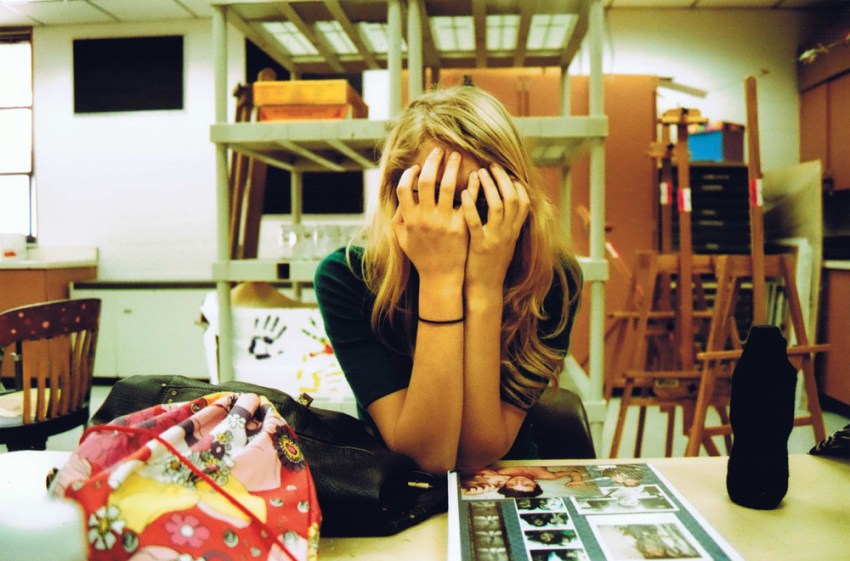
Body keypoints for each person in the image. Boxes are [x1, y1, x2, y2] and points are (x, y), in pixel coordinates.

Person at [314, 85, 582, 474]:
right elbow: (427, 458)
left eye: (484, 198)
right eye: (440, 197)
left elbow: (477, 453)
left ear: (518, 195)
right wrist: (440, 280)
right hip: (397, 498)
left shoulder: (552, 279)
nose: (461, 223)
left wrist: (484, 287)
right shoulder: (349, 277)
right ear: (398, 196)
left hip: (508, 482)